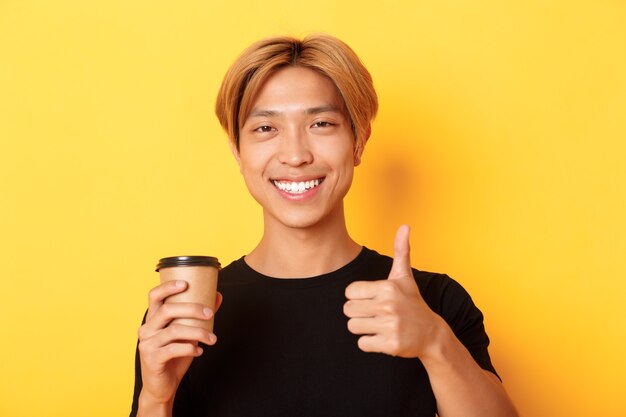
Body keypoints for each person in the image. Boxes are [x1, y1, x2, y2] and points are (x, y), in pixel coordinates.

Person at [130, 34, 518, 417]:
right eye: (266, 128)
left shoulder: (432, 301)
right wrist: (157, 398)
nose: (295, 155)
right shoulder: (187, 316)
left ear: (359, 141)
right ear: (237, 150)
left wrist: (436, 343)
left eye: (321, 123)